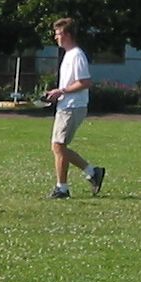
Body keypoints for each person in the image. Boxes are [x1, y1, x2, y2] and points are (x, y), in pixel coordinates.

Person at [43, 17, 105, 198]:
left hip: (73, 106)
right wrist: (56, 93)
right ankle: (92, 172)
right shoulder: (69, 55)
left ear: (68, 34)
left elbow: (85, 82)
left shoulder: (77, 55)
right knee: (58, 146)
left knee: (58, 146)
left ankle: (62, 188)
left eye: (59, 34)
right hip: (68, 105)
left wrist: (61, 91)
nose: (56, 37)